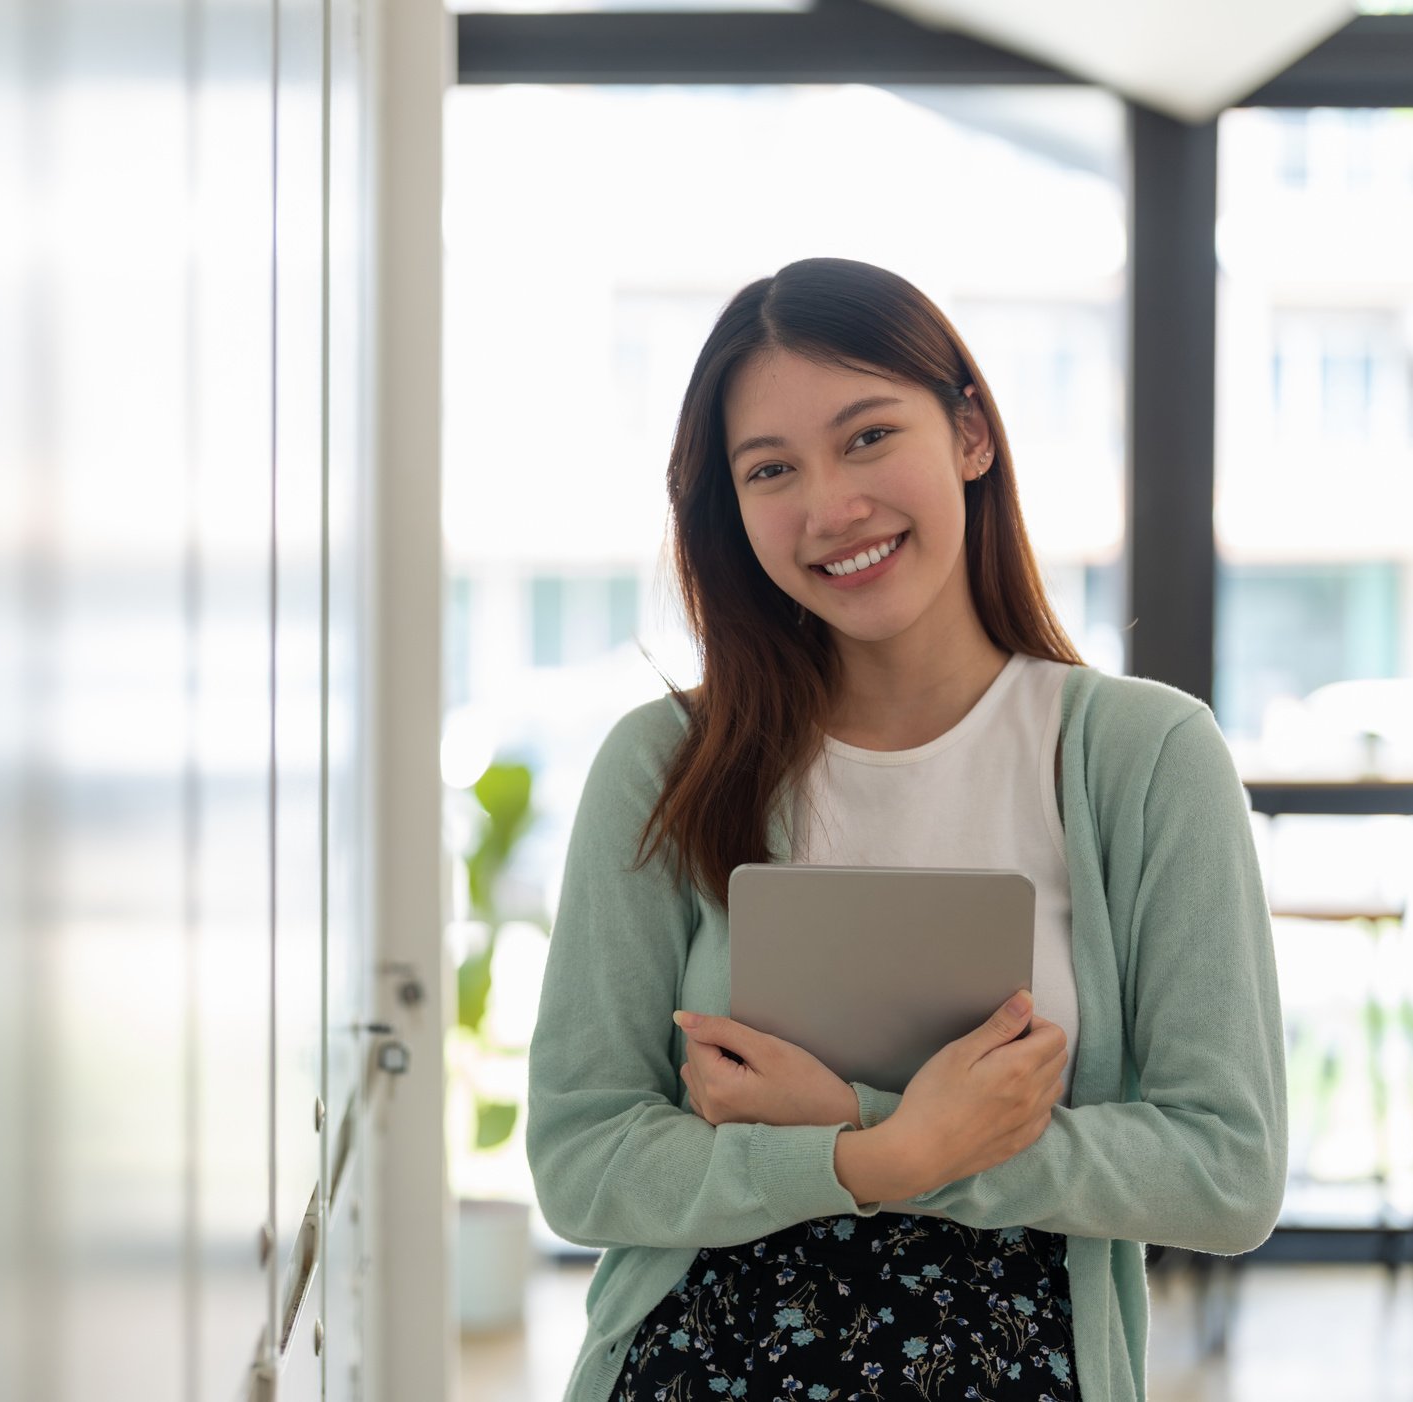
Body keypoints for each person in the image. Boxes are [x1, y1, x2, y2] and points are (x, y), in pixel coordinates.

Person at [525, 256, 1288, 1402]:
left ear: (970, 434)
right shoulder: (662, 766)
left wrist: (872, 1133)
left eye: (868, 436)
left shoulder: (1144, 761)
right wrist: (880, 1154)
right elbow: (581, 1157)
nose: (830, 506)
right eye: (770, 468)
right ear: (728, 509)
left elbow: (1225, 1171)